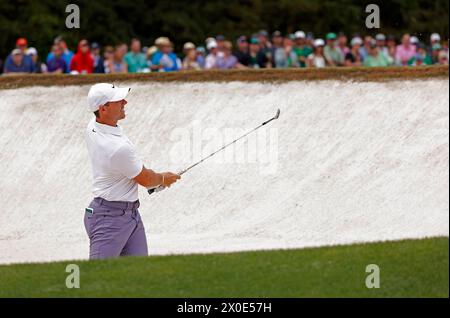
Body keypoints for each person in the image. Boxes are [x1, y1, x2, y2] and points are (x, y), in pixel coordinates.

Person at [84, 83, 180, 259]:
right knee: (98, 278)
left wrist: (157, 179)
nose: (125, 102)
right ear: (103, 108)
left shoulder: (93, 125)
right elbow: (146, 179)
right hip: (109, 220)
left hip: (130, 216)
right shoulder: (116, 148)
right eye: (118, 101)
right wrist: (163, 178)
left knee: (137, 276)